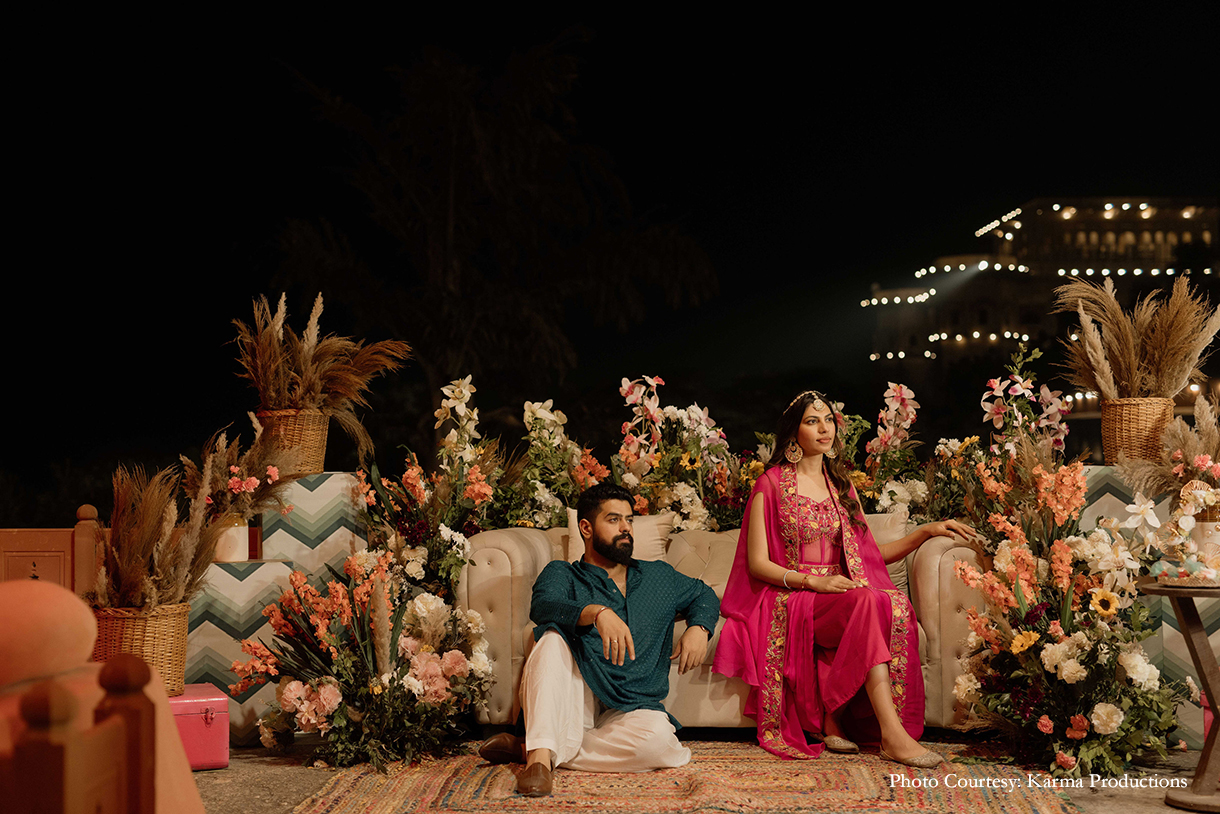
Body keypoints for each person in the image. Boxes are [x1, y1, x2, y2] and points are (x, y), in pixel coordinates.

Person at [713, 390, 974, 767]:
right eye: (811, 421)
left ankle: (851, 721)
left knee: (875, 599)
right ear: (792, 433)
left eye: (828, 420)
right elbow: (757, 564)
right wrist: (812, 582)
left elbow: (867, 555)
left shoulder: (841, 486)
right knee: (868, 600)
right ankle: (890, 733)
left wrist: (924, 533)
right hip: (792, 594)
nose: (824, 428)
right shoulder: (770, 485)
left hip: (841, 594)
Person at [477, 482, 721, 797]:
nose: (626, 528)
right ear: (586, 527)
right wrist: (596, 612)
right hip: (576, 693)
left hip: (633, 703)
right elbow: (544, 606)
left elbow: (704, 595)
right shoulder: (563, 574)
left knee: (660, 743)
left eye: (630, 520)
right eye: (614, 519)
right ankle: (537, 763)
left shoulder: (658, 576)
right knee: (550, 638)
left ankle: (534, 747)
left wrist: (699, 628)